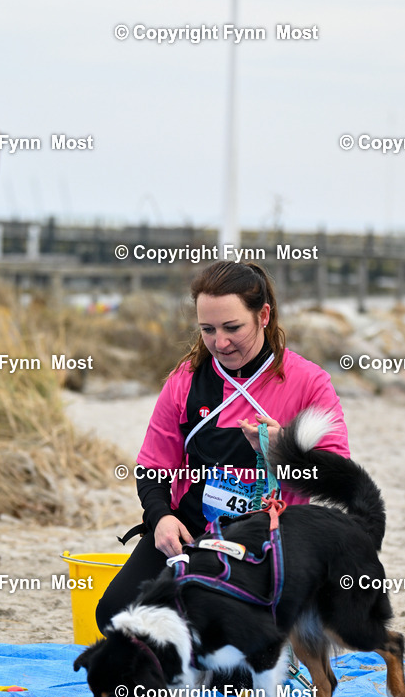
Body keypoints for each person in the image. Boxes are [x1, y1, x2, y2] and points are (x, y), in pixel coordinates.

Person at [95, 259, 349, 632]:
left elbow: (337, 478)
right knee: (118, 618)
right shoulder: (185, 380)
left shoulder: (309, 382)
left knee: (231, 658)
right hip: (191, 530)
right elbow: (153, 469)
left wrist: (285, 447)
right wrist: (160, 518)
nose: (220, 342)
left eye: (233, 327)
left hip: (266, 539)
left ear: (263, 315)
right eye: (207, 329)